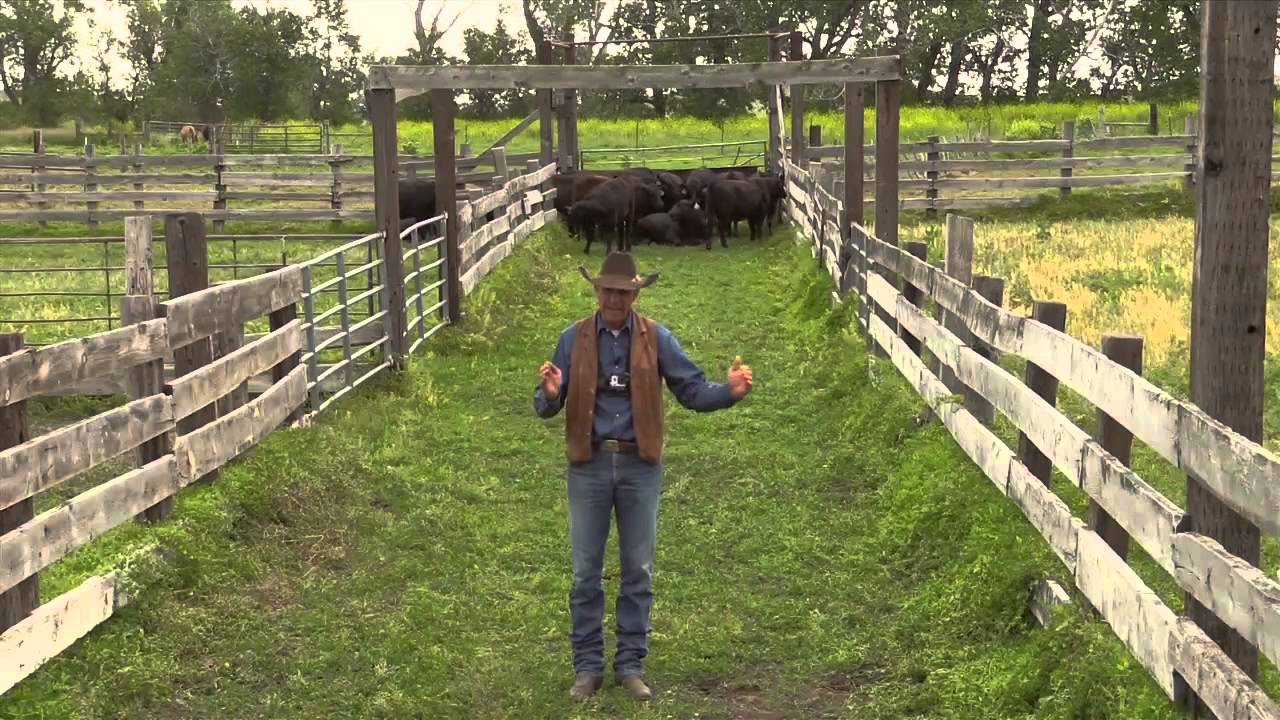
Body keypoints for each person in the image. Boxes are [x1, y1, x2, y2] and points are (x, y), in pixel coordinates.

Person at [533, 251, 754, 702]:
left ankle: (631, 664)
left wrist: (728, 392)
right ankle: (588, 667)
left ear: (635, 293)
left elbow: (691, 390)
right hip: (589, 463)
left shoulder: (657, 338)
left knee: (638, 569)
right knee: (584, 571)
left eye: (624, 292)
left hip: (639, 464)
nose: (616, 299)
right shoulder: (572, 339)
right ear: (596, 291)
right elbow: (546, 402)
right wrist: (552, 394)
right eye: (608, 290)